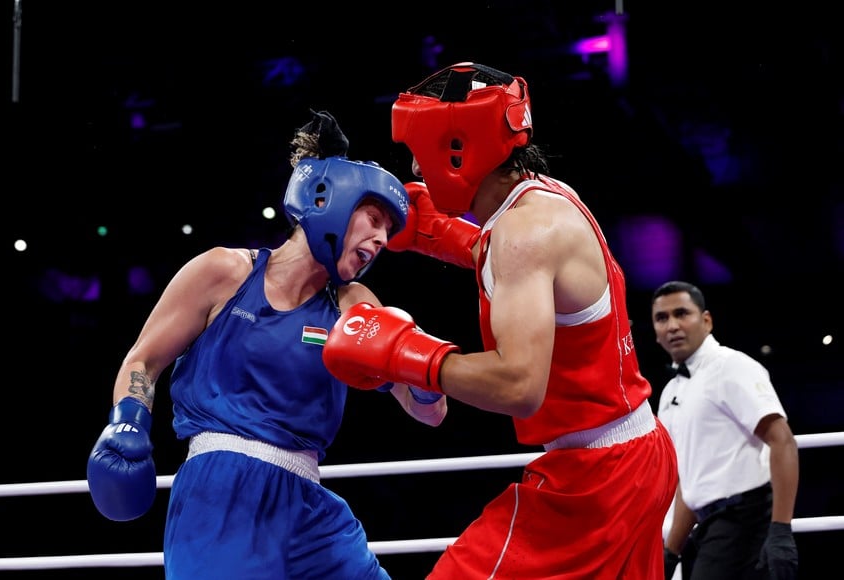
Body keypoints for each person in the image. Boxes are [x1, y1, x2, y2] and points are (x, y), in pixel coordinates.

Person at [322, 61, 678, 579]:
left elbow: (518, 385)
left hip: (597, 477)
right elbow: (528, 270)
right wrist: (442, 236)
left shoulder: (521, 233)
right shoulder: (545, 196)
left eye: (420, 155)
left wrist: (405, 355)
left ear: (456, 150)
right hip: (634, 453)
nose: (418, 171)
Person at [86, 110, 447, 580]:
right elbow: (143, 361)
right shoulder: (224, 272)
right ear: (329, 200)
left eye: (387, 231)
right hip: (221, 494)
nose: (381, 239)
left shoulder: (353, 304)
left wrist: (422, 372)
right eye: (374, 218)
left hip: (312, 511)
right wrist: (128, 422)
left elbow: (429, 413)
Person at [651, 280, 799, 580]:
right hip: (707, 525)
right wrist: (671, 551)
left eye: (682, 313)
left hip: (745, 515)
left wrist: (781, 528)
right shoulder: (670, 392)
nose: (672, 325)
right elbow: (689, 482)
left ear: (706, 321)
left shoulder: (732, 367)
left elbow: (782, 440)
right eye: (662, 318)